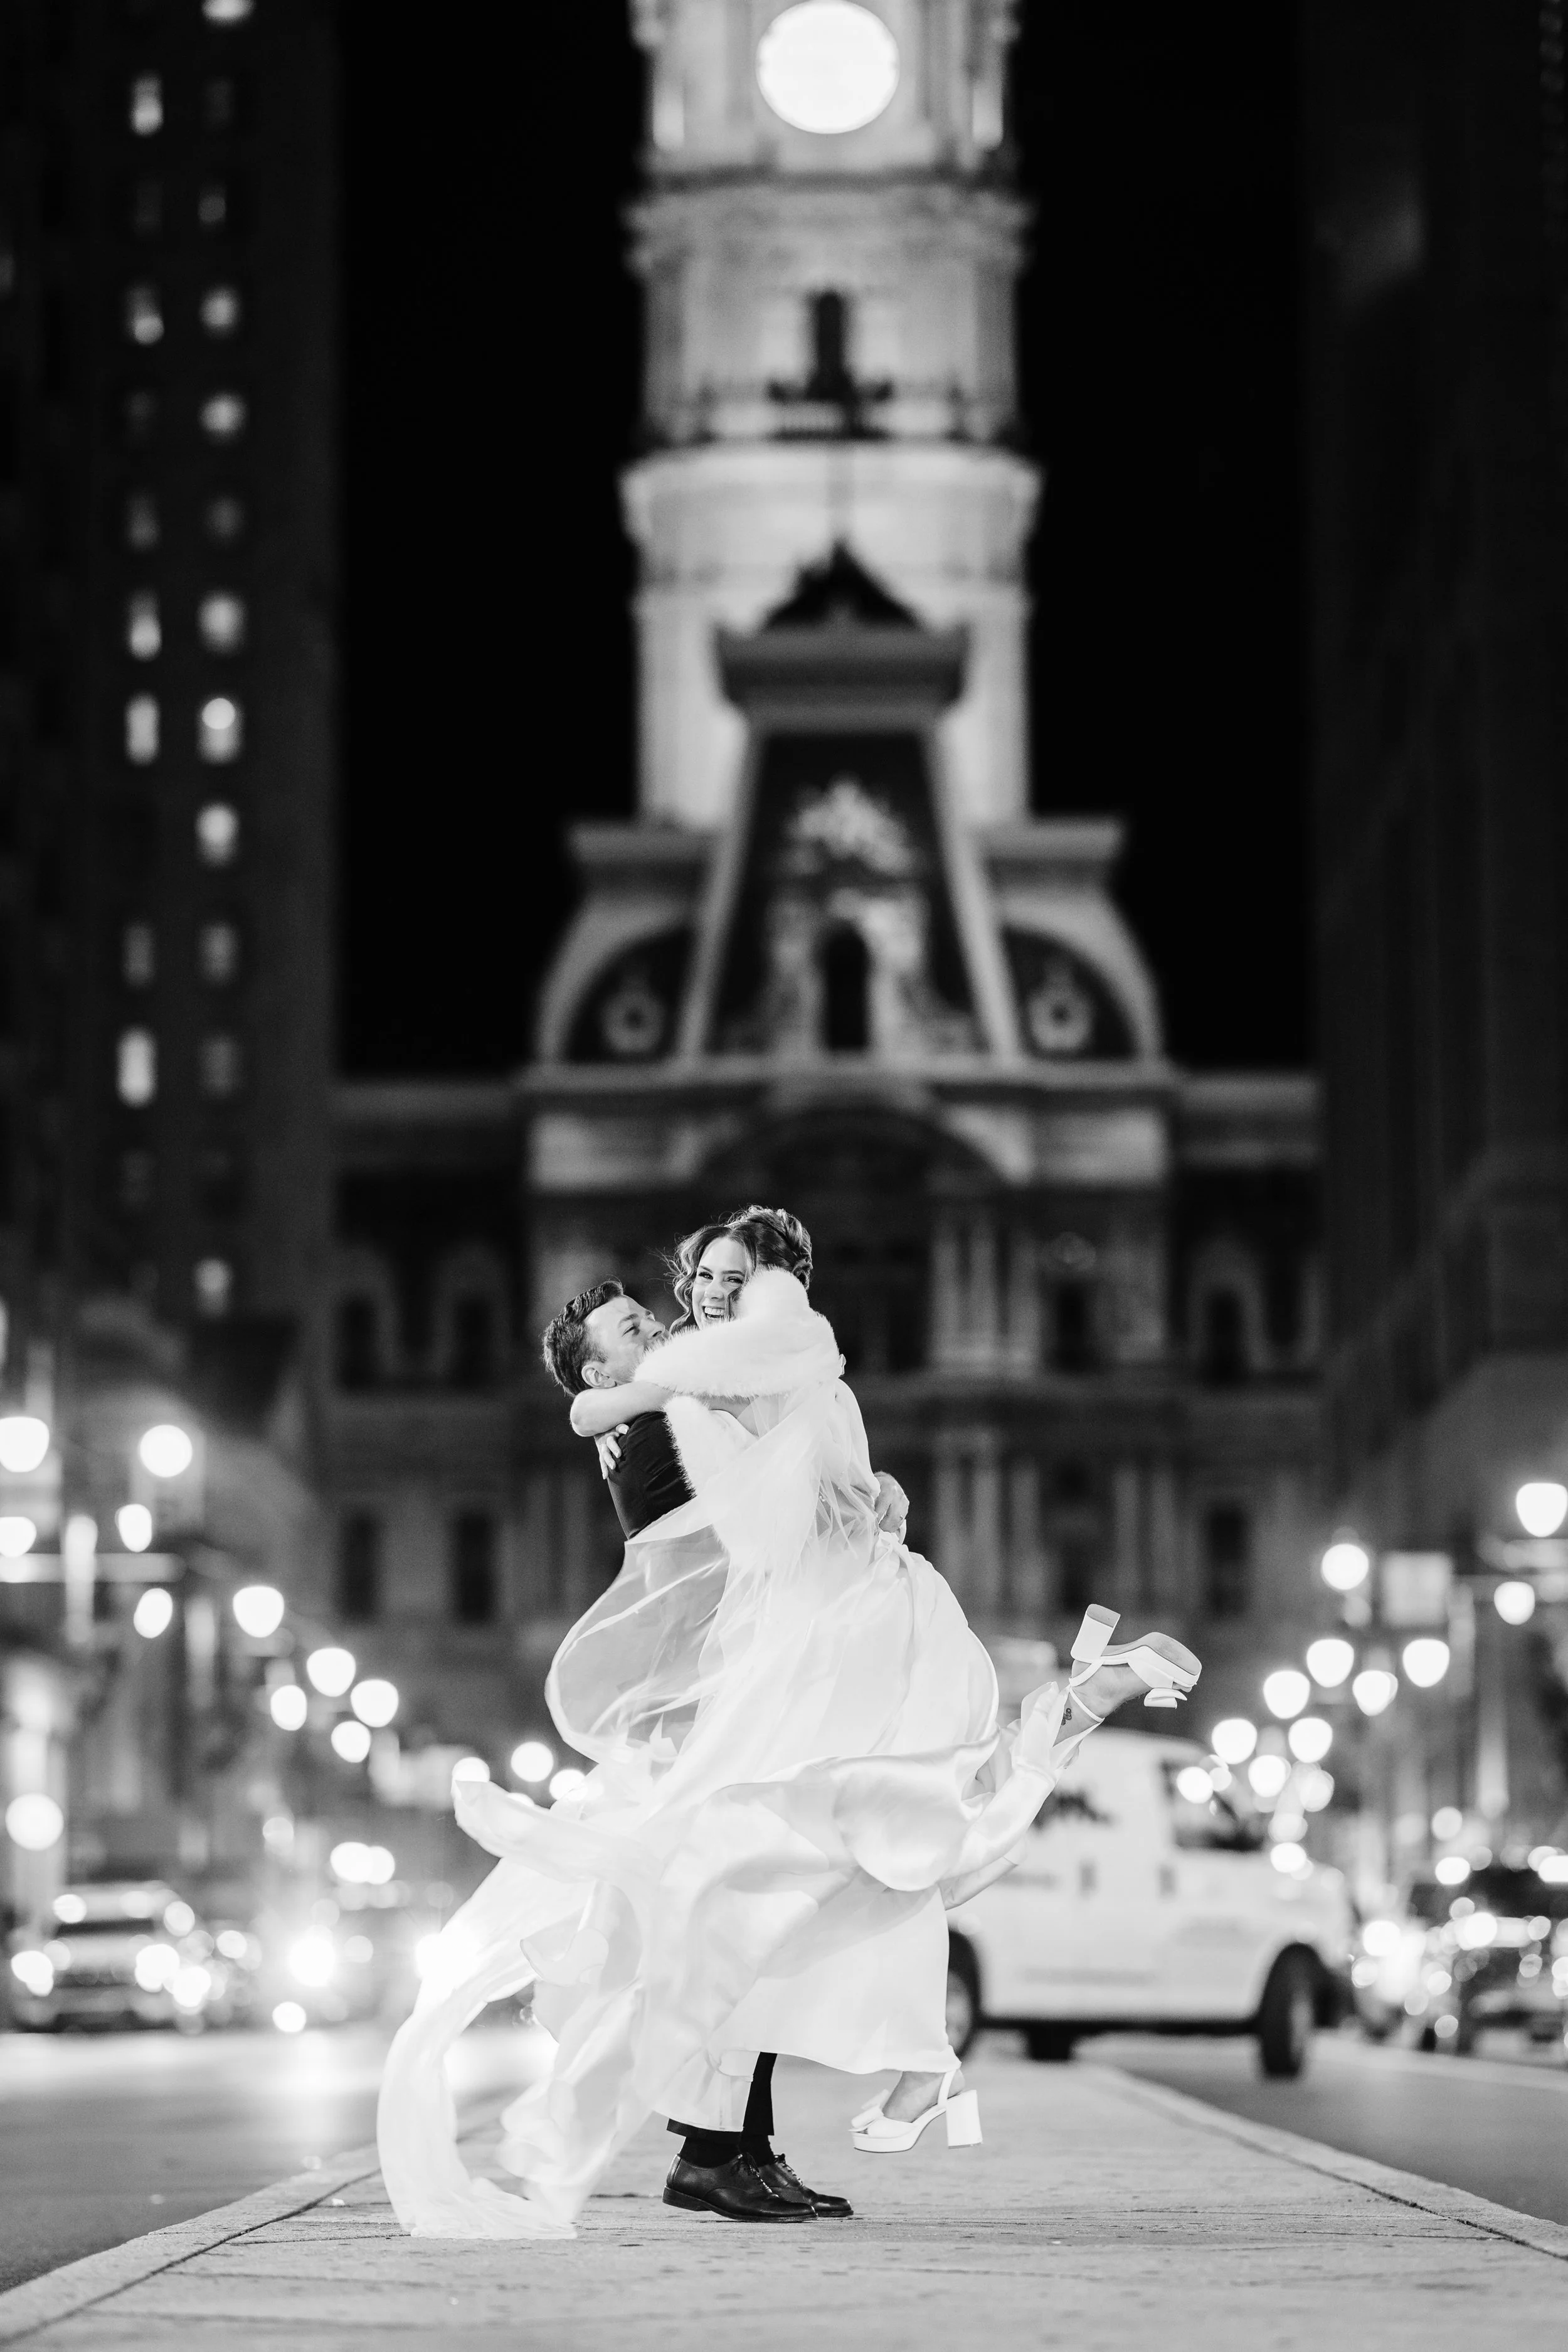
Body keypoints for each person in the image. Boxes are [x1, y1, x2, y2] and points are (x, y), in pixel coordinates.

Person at [376, 1207, 1199, 2238]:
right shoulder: (647, 1408)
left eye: (650, 1316)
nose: (658, 1330)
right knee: (765, 1891)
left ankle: (734, 2150)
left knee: (774, 1895)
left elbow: (766, 1483)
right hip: (746, 1689)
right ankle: (720, 2153)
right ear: (597, 1372)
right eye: (632, 1329)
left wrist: (859, 1493)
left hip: (763, 1677)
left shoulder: (690, 1392)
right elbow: (696, 1520)